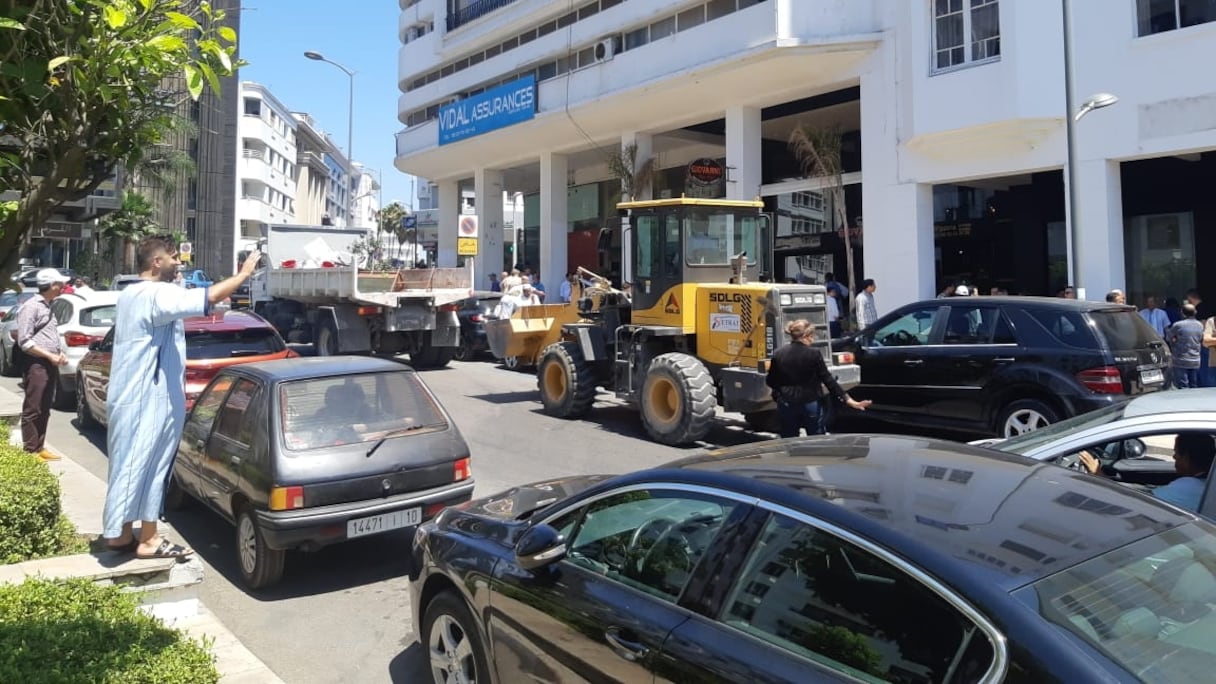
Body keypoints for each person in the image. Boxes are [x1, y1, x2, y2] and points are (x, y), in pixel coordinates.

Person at [101, 236, 260, 558]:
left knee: (129, 464)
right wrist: (243, 274)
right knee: (152, 464)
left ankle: (119, 533)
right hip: (150, 397)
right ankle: (148, 540)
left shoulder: (130, 293)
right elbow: (209, 296)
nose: (179, 262)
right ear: (156, 262)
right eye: (173, 257)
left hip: (130, 394)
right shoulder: (156, 294)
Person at [766, 319, 870, 438]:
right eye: (812, 336)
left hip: (787, 404)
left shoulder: (779, 353)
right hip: (810, 404)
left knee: (789, 440)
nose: (813, 339)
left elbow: (770, 381)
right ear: (806, 336)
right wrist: (848, 400)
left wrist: (779, 395)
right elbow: (828, 380)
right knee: (816, 440)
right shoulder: (813, 354)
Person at [1079, 433, 1215, 513]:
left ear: (1186, 458)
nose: (1173, 458)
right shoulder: (1207, 483)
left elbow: (1139, 500)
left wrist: (1099, 477)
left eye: (1176, 453)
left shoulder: (1188, 486)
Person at [15, 269, 71, 462]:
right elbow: (25, 341)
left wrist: (58, 353)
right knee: (34, 406)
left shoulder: (49, 306)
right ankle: (30, 450)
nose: (63, 287)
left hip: (49, 362)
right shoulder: (31, 306)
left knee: (45, 406)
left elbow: (48, 335)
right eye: (60, 284)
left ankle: (39, 446)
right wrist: (48, 355)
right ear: (53, 285)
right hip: (36, 363)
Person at [1167, 304, 1204, 389]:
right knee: (1194, 384)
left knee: (1183, 386)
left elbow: (1169, 337)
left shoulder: (1178, 325)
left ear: (1182, 313)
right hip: (1195, 359)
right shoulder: (1200, 325)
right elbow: (1201, 339)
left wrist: (1174, 344)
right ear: (1195, 312)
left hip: (1181, 359)